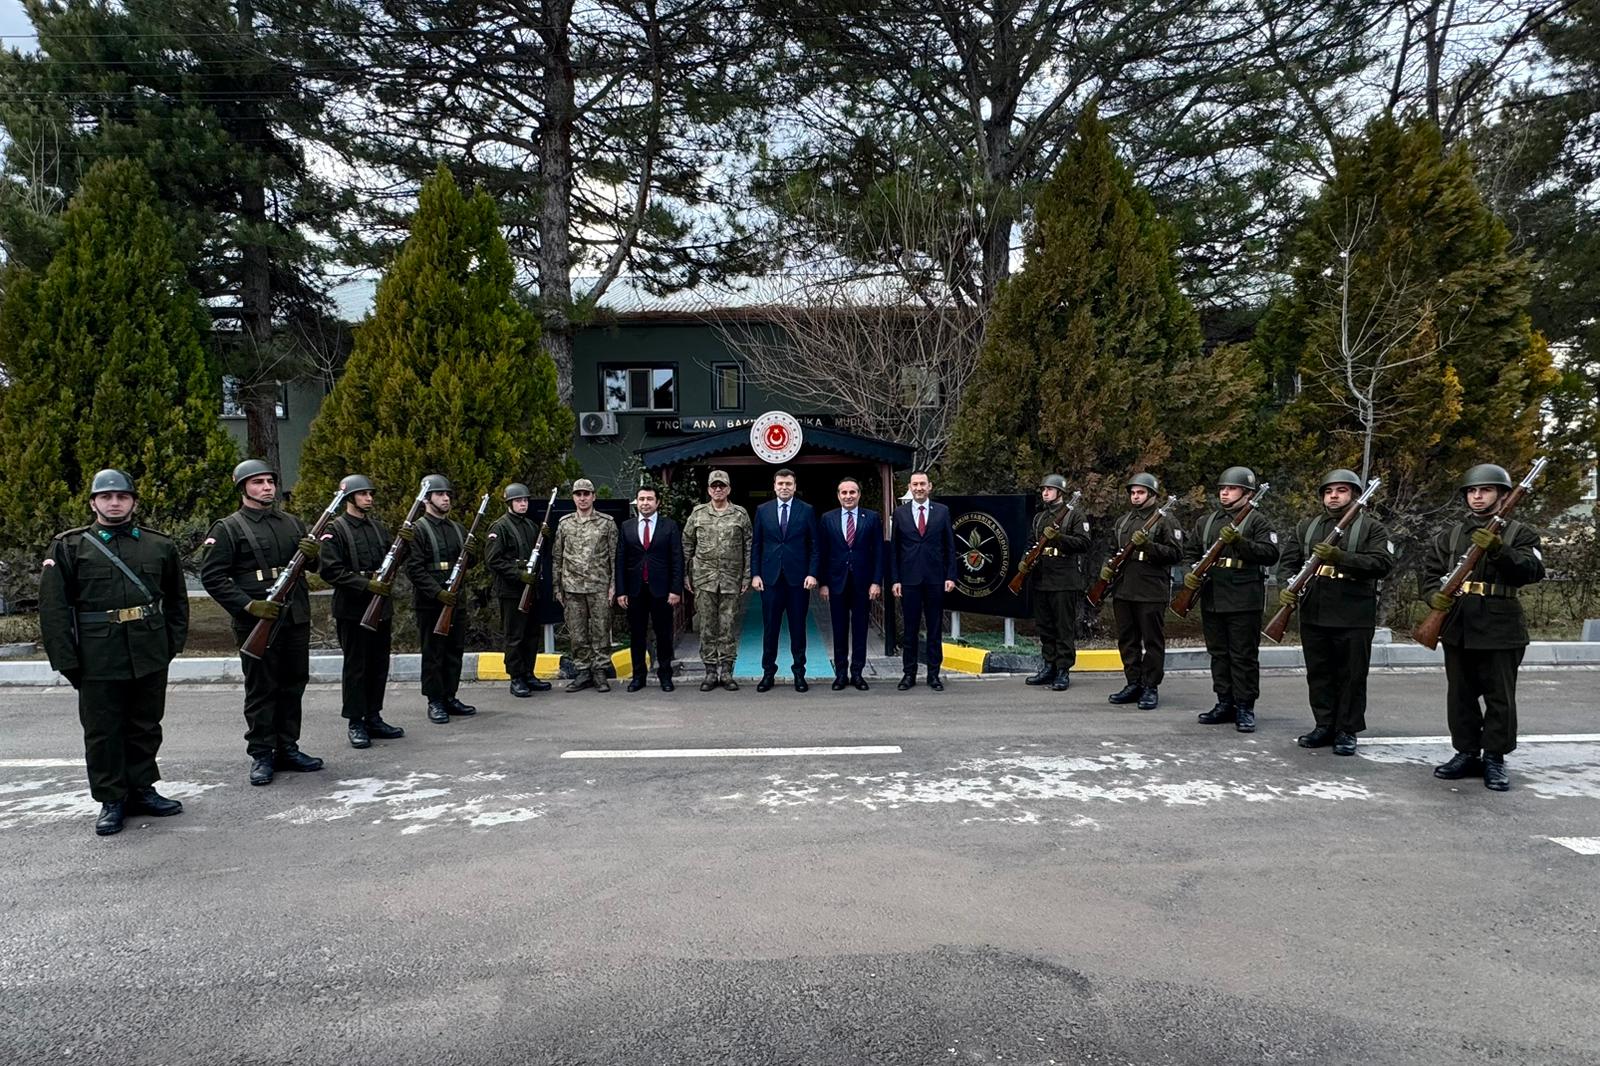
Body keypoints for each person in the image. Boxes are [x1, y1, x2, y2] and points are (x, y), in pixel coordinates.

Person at [38, 469, 189, 835]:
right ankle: (111, 799)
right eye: (106, 497)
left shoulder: (159, 545)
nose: (114, 503)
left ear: (134, 502)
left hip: (149, 649)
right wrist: (67, 661)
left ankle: (142, 789)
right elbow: (54, 609)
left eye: (122, 497)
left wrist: (170, 645)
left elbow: (176, 601)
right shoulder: (71, 546)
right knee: (103, 731)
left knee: (145, 725)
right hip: (98, 655)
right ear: (93, 503)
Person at [1422, 463, 1546, 791]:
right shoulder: (1449, 535)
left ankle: (1494, 757)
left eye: (1485, 490)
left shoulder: (1520, 533)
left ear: (1503, 495)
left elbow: (1532, 571)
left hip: (1500, 624)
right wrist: (1434, 598)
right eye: (1472, 491)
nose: (1477, 497)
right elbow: (1430, 574)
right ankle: (1466, 752)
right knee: (1460, 695)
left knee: (1499, 697)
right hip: (1458, 622)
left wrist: (1498, 549)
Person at [201, 458, 324, 786]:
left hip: (294, 616)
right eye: (257, 482)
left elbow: (313, 568)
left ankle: (288, 747)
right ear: (243, 488)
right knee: (261, 688)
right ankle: (261, 754)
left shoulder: (292, 523)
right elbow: (213, 577)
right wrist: (248, 606)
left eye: (269, 481)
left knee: (293, 684)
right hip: (256, 621)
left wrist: (313, 553)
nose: (266, 487)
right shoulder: (228, 528)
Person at [1276, 469, 1395, 756]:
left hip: (1353, 610)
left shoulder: (1371, 528)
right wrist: (1288, 587)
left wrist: (1340, 557)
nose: (1334, 496)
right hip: (1315, 608)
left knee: (1351, 674)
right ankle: (1324, 724)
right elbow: (1287, 563)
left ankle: (1347, 729)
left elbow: (1382, 563)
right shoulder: (1308, 526)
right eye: (1329, 491)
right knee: (1319, 673)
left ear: (1353, 494)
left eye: (1341, 490)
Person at [1187, 466, 1279, 732]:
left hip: (1244, 597)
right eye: (1222, 489)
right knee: (1218, 654)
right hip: (1213, 595)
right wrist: (1194, 574)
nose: (1225, 493)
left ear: (1248, 494)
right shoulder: (1207, 521)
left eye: (1231, 489)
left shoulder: (1257, 521)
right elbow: (1191, 551)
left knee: (1243, 656)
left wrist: (1239, 542)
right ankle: (1224, 701)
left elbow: (1270, 553)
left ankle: (1245, 706)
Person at [318, 474, 406, 749]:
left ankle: (374, 716)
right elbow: (331, 570)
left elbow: (393, 561)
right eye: (363, 494)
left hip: (380, 606)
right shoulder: (336, 529)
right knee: (356, 667)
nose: (369, 498)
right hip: (354, 607)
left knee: (379, 663)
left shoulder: (378, 528)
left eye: (371, 494)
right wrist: (366, 584)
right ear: (349, 498)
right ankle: (356, 721)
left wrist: (406, 543)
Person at [1104, 473, 1183, 709]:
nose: (1135, 497)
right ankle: (1133, 682)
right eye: (1133, 492)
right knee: (1127, 640)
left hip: (1151, 590)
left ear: (1152, 494)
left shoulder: (1165, 521)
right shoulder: (1124, 521)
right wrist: (1106, 569)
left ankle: (1150, 686)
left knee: (1152, 641)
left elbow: (1176, 554)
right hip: (1124, 589)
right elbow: (1112, 549)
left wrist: (1148, 546)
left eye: (1140, 492)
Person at [403, 474, 476, 724]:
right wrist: (437, 592)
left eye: (448, 495)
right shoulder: (418, 530)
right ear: (427, 499)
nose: (446, 499)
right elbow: (414, 568)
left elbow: (469, 564)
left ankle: (450, 696)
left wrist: (472, 555)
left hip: (456, 600)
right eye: (440, 494)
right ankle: (435, 700)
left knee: (454, 651)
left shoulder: (457, 528)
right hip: (430, 603)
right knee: (433, 653)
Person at [751, 468, 820, 692]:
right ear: (774, 486)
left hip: (798, 580)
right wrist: (756, 574)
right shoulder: (763, 510)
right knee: (770, 629)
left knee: (798, 629)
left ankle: (799, 674)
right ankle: (767, 674)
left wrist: (812, 573)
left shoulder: (807, 510)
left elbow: (814, 546)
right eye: (780, 484)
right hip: (770, 579)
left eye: (788, 484)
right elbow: (757, 545)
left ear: (794, 485)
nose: (784, 487)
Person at [682, 470, 752, 691]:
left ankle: (727, 671)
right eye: (714, 486)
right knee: (707, 626)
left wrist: (747, 576)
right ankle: (710, 671)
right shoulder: (698, 514)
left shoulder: (740, 514)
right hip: (704, 579)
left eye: (722, 486)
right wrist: (686, 575)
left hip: (731, 578)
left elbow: (749, 547)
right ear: (709, 490)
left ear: (729, 489)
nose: (718, 489)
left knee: (728, 626)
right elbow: (686, 545)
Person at [889, 471, 958, 691]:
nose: (919, 488)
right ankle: (909, 674)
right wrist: (895, 579)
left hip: (935, 579)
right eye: (915, 484)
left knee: (935, 629)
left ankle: (933, 675)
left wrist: (950, 575)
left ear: (930, 487)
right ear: (910, 487)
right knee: (910, 629)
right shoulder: (899, 513)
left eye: (922, 484)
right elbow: (894, 550)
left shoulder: (942, 512)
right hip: (908, 580)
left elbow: (949, 546)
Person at [486, 482, 554, 699]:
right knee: (514, 635)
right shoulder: (500, 527)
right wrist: (518, 575)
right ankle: (516, 677)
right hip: (512, 590)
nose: (523, 504)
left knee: (531, 634)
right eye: (518, 501)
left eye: (525, 500)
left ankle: (529, 673)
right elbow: (493, 560)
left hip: (530, 587)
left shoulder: (530, 525)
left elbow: (539, 553)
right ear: (509, 503)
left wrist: (545, 536)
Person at [1023, 474, 1090, 692]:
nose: (1045, 493)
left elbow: (1083, 543)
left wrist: (1059, 537)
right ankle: (1049, 665)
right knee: (1045, 626)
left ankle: (1063, 669)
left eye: (1049, 490)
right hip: (1042, 578)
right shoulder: (1039, 518)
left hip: (1064, 579)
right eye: (1043, 490)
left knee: (1064, 627)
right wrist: (1025, 561)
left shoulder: (1074, 516)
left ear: (1060, 493)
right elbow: (1032, 543)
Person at [615, 485, 684, 691]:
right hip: (635, 590)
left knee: (664, 634)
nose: (645, 503)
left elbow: (677, 559)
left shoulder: (669, 526)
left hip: (662, 590)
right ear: (637, 502)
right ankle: (638, 676)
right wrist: (621, 590)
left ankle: (665, 675)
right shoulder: (626, 526)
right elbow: (620, 560)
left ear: (657, 502)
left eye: (649, 499)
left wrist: (675, 589)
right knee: (637, 635)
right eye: (642, 499)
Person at [552, 478, 618, 692]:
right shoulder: (565, 523)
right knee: (577, 633)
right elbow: (557, 557)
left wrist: (613, 586)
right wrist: (557, 587)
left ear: (593, 496)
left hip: (599, 586)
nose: (582, 498)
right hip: (572, 588)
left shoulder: (607, 523)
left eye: (586, 494)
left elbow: (614, 557)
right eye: (578, 494)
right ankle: (582, 671)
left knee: (601, 632)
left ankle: (600, 672)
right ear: (573, 497)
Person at [818, 477, 883, 690]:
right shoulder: (828, 518)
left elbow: (878, 552)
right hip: (836, 583)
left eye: (852, 492)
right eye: (844, 492)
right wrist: (823, 583)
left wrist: (876, 581)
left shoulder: (872, 518)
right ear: (838, 495)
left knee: (860, 629)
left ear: (859, 494)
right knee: (839, 629)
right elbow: (823, 553)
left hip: (863, 584)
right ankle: (840, 674)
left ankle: (857, 673)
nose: (848, 496)